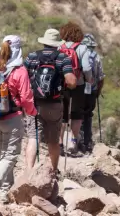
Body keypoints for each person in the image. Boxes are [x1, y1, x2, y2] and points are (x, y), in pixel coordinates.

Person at [0, 36, 36, 202]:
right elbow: (26, 97)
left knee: (2, 154)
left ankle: (5, 191)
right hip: (13, 118)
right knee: (10, 156)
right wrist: (32, 111)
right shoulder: (19, 71)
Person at [24, 29, 76, 173]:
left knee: (33, 138)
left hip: (34, 104)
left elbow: (23, 77)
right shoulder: (63, 58)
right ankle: (52, 172)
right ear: (57, 44)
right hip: (54, 104)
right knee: (53, 141)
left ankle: (29, 172)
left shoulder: (32, 56)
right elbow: (71, 81)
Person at [58, 22, 93, 155]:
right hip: (78, 84)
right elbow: (87, 67)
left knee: (62, 114)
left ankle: (60, 143)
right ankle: (73, 141)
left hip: (62, 84)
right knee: (77, 114)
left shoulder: (59, 47)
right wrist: (89, 79)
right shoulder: (82, 48)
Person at [80, 34, 104, 154]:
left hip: (78, 90)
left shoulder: (78, 55)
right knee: (88, 115)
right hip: (92, 91)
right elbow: (101, 78)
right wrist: (97, 93)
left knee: (77, 115)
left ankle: (77, 140)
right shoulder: (96, 57)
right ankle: (87, 142)